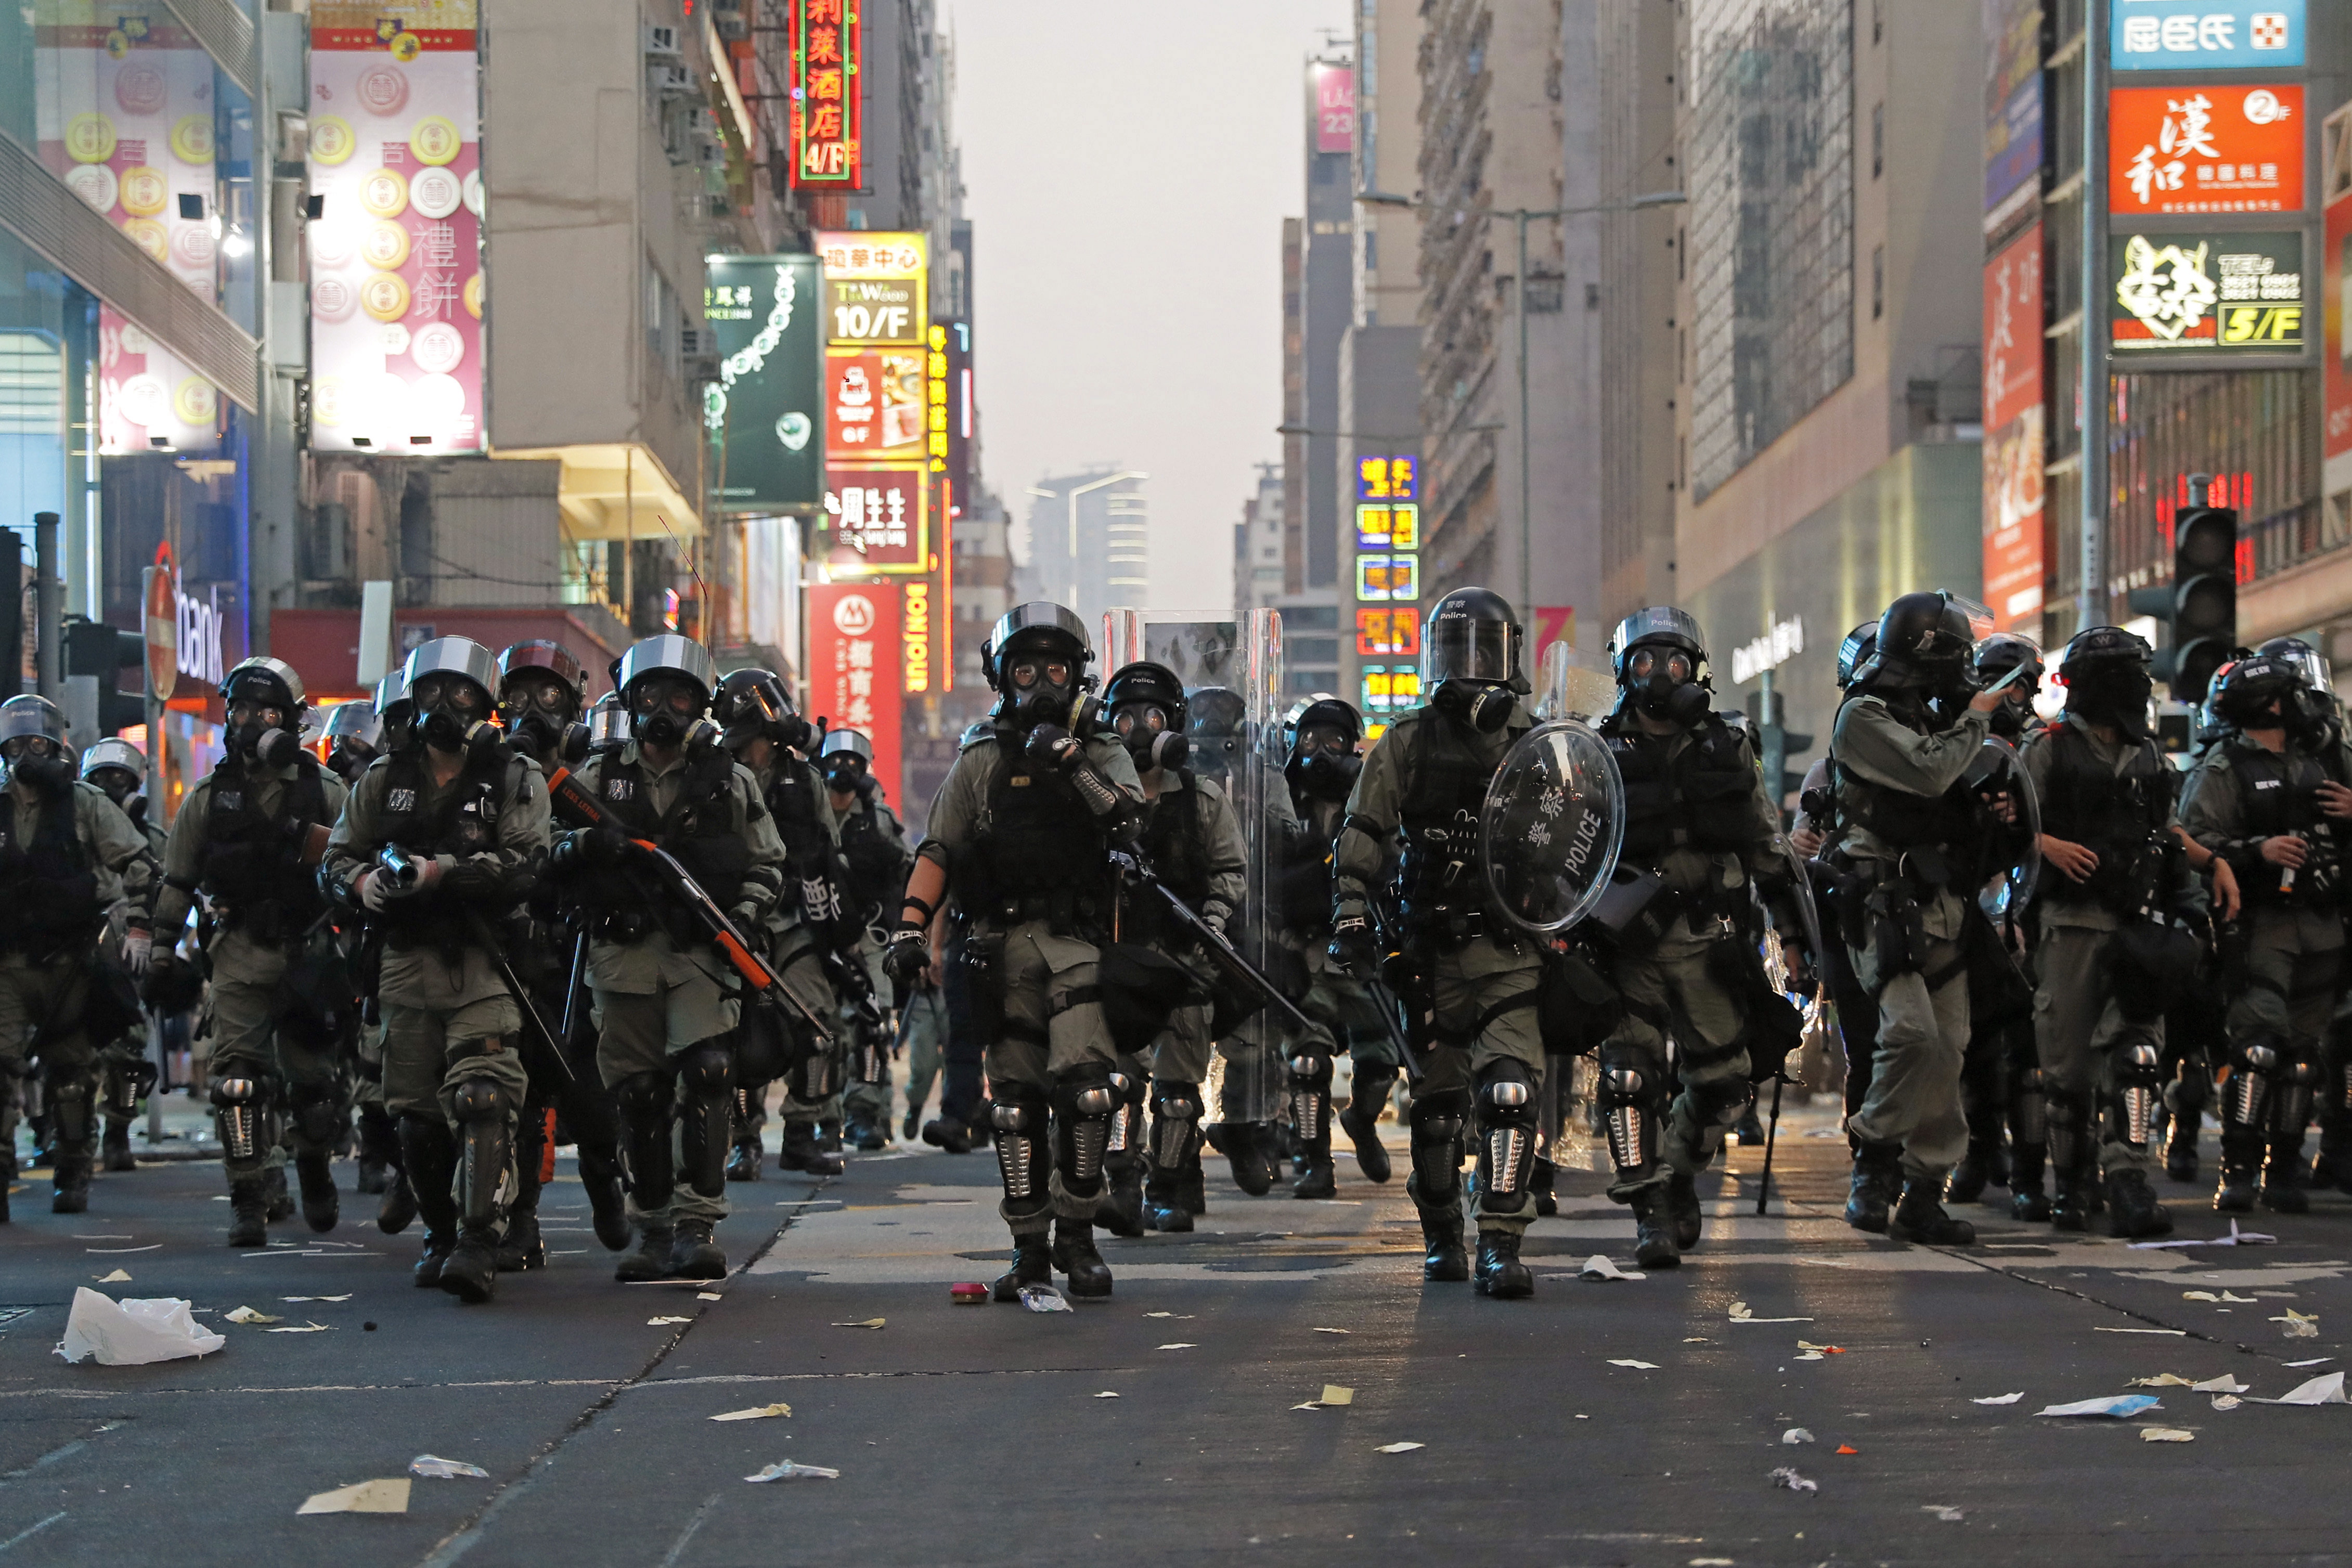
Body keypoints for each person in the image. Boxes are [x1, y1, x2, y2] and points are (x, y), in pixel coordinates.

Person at [883, 603, 1143, 1301]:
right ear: (1002, 677)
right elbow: (939, 846)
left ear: (1077, 674)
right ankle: (1029, 1247)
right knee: (1014, 1106)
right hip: (998, 949)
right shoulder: (981, 759)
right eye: (1024, 670)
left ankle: (1079, 1236)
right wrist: (909, 929)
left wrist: (1069, 760)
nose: (1040, 684)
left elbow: (1126, 813)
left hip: (1078, 944)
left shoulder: (1100, 746)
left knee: (1090, 1090)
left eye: (1054, 669)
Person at [1329, 587, 1550, 1298]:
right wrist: (1351, 911)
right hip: (1427, 953)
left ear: (1511, 657)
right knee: (1436, 1109)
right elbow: (1361, 830)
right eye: (1460, 652)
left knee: (1510, 1091)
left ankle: (1501, 1239)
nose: (1474, 666)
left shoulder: (1537, 742)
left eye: (1487, 651)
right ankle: (1441, 1232)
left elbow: (1577, 838)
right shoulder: (1407, 740)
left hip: (1511, 950)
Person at [552, 636, 786, 1281]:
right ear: (630, 702)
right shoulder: (595, 778)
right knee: (640, 1094)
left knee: (710, 1074)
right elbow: (541, 845)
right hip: (620, 957)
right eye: (650, 696)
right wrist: (580, 848)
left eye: (679, 696)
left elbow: (768, 861)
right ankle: (653, 1227)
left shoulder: (727, 781)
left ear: (700, 704)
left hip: (700, 955)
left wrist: (740, 921)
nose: (664, 709)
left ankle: (697, 1224)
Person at [322, 637, 549, 1302]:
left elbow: (526, 865)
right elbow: (334, 859)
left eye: (459, 694)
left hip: (485, 965)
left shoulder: (513, 777)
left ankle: (480, 1240)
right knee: (415, 1116)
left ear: (486, 705)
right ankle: (442, 1234)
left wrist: (440, 873)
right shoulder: (382, 780)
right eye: (428, 693)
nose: (442, 706)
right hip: (402, 965)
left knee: (483, 1098)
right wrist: (362, 883)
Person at [1586, 608, 1803, 1268]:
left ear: (1696, 672)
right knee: (1628, 1079)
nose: (1659, 675)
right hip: (1630, 949)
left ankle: (1678, 1173)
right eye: (1645, 662)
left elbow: (1765, 842)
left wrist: (1794, 933)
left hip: (1710, 941)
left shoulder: (1727, 746)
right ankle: (1648, 1208)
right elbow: (1574, 852)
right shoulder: (1595, 751)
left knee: (1725, 1083)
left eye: (1674, 663)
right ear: (1624, 671)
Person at [1826, 592, 2016, 1246]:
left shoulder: (1933, 717)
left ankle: (1924, 1191)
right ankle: (1873, 1159)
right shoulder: (1862, 717)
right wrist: (1976, 722)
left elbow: (1960, 808)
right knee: (1909, 1035)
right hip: (1882, 904)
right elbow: (1931, 775)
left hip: (1944, 909)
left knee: (1949, 1049)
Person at [2020, 627, 2209, 1238]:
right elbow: (2005, 828)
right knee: (2070, 1070)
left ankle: (2128, 1179)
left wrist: (2209, 878)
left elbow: (2170, 834)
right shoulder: (2048, 749)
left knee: (2137, 1056)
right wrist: (2045, 846)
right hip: (2070, 925)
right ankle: (2073, 1186)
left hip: (2136, 926)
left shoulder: (2151, 756)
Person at [149, 659, 346, 1243]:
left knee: (312, 1087)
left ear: (290, 720)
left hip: (310, 952)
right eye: (239, 710)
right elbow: (177, 879)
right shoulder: (209, 799)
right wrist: (160, 951)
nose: (250, 723)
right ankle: (248, 1196)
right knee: (238, 1082)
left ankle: (312, 1166)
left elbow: (359, 866)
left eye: (266, 713)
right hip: (238, 952)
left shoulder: (327, 791)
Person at [2179, 646, 2352, 1213]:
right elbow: (2191, 844)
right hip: (2261, 926)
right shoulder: (2226, 768)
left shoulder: (2322, 762)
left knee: (2303, 1057)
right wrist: (2257, 851)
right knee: (2257, 1047)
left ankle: (2284, 1168)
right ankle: (2239, 1167)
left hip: (2322, 926)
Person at [1094, 660, 1246, 1235]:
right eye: (1126, 716)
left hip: (1186, 961)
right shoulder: (1097, 796)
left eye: (1152, 715)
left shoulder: (1200, 798)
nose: (1138, 728)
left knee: (1180, 1090)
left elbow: (1230, 868)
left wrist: (1211, 918)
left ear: (1173, 722)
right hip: (1118, 961)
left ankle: (1167, 1185)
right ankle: (1122, 1184)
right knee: (1116, 1084)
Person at [493, 639, 629, 1263]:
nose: (532, 710)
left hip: (582, 953)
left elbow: (619, 840)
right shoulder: (491, 777)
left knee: (589, 1094)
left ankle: (606, 1182)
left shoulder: (595, 776)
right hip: (512, 954)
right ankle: (521, 1219)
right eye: (518, 696)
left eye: (548, 696)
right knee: (516, 1095)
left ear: (574, 708)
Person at [0, 699, 153, 1220]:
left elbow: (137, 862)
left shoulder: (84, 804)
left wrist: (138, 927)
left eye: (37, 744)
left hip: (69, 962)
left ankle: (73, 1168)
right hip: (7, 964)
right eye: (16, 744)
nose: (26, 755)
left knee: (71, 1077)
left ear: (56, 746)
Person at [710, 667, 845, 1180]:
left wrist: (836, 925)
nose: (751, 751)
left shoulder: (804, 779)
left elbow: (831, 852)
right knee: (742, 1040)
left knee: (819, 1025)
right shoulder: (717, 777)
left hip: (793, 921)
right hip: (734, 921)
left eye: (758, 742)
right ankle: (744, 1141)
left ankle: (802, 1133)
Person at [1277, 696, 1401, 1198]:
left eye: (1334, 740)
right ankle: (1312, 1159)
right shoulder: (1280, 802)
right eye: (1310, 739)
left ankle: (1362, 1119)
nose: (1321, 751)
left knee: (1381, 1058)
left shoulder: (1372, 804)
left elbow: (1395, 865)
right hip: (1302, 948)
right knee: (1307, 1058)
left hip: (1358, 948)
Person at [1948, 631, 2051, 1220]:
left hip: (2033, 913)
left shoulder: (2043, 747)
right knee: (1973, 1047)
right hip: (1974, 910)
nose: (2013, 696)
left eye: (2020, 686)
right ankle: (1979, 1150)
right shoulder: (1960, 744)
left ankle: (2031, 1170)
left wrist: (2029, 830)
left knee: (2028, 1053)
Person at [820, 728, 913, 1150]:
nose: (843, 770)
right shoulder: (809, 813)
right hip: (820, 938)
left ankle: (866, 1112)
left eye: (853, 764)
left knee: (873, 1026)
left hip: (872, 939)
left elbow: (906, 873)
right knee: (822, 1028)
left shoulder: (878, 821)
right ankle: (823, 1114)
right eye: (836, 761)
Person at [81, 738, 167, 1174]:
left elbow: (174, 890)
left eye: (119, 779)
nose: (109, 788)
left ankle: (118, 1128)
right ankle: (59, 1132)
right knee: (65, 1049)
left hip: (129, 956)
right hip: (74, 950)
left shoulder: (151, 840)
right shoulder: (72, 829)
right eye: (98, 780)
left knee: (128, 1051)